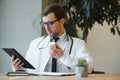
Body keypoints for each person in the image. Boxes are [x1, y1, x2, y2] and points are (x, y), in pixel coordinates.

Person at [11, 4, 94, 73]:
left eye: (50, 23)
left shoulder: (78, 43)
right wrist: (17, 68)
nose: (46, 28)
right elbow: (28, 70)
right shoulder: (35, 43)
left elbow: (90, 66)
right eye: (44, 23)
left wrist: (64, 56)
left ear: (61, 21)